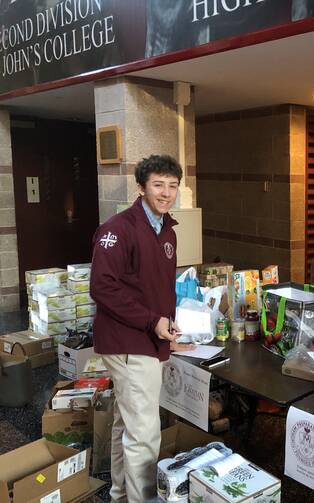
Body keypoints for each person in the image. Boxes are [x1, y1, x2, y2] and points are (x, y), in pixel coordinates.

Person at [90, 154, 193, 502]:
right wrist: (152, 322)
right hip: (128, 343)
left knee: (128, 424)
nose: (166, 192)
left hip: (149, 339)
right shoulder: (118, 229)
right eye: (158, 185)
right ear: (141, 187)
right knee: (145, 435)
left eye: (172, 185)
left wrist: (167, 330)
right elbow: (102, 288)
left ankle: (121, 493)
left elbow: (156, 289)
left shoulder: (166, 228)